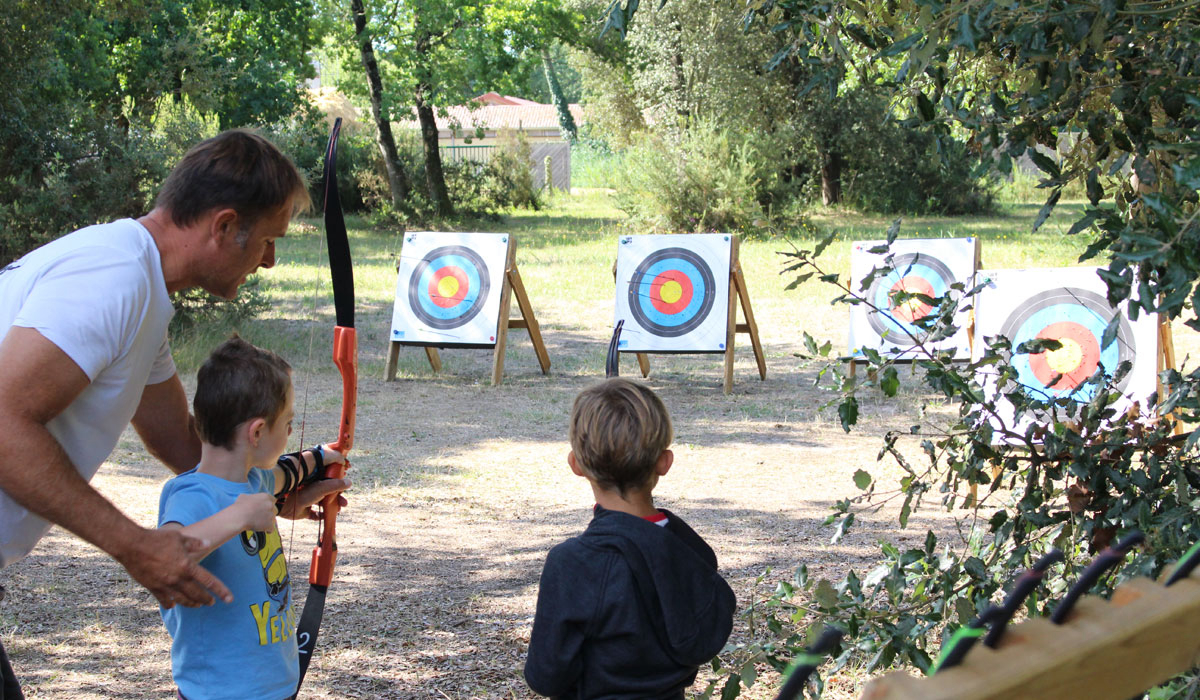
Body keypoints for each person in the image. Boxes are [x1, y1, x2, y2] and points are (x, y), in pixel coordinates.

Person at [0, 129, 347, 698]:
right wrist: (135, 545)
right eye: (266, 238)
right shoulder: (112, 278)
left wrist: (275, 492)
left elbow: (190, 450)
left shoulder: (143, 297)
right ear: (226, 225)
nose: (270, 259)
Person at [524, 378, 737, 699]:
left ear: (576, 464)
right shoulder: (690, 551)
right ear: (664, 462)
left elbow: (546, 676)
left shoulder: (573, 563)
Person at [159, 336, 343, 700]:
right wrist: (239, 515)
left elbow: (288, 471)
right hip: (217, 693)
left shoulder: (255, 479)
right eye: (288, 423)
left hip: (273, 686)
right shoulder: (192, 495)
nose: (291, 431)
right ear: (257, 432)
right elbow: (165, 557)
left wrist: (325, 456)